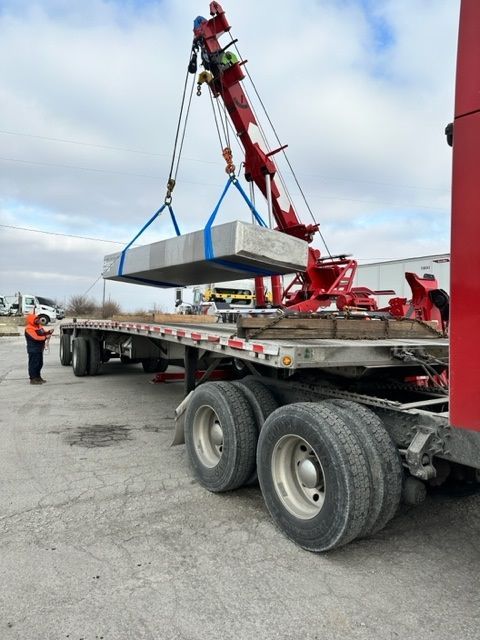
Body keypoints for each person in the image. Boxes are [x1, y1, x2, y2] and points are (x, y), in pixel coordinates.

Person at [24, 312, 53, 384]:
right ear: (31, 320)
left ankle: (38, 377)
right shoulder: (29, 329)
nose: (37, 320)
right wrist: (45, 337)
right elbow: (35, 338)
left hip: (39, 349)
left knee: (39, 364)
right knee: (34, 364)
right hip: (33, 349)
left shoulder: (39, 326)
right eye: (35, 319)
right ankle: (33, 379)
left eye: (37, 318)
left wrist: (48, 332)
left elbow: (43, 333)